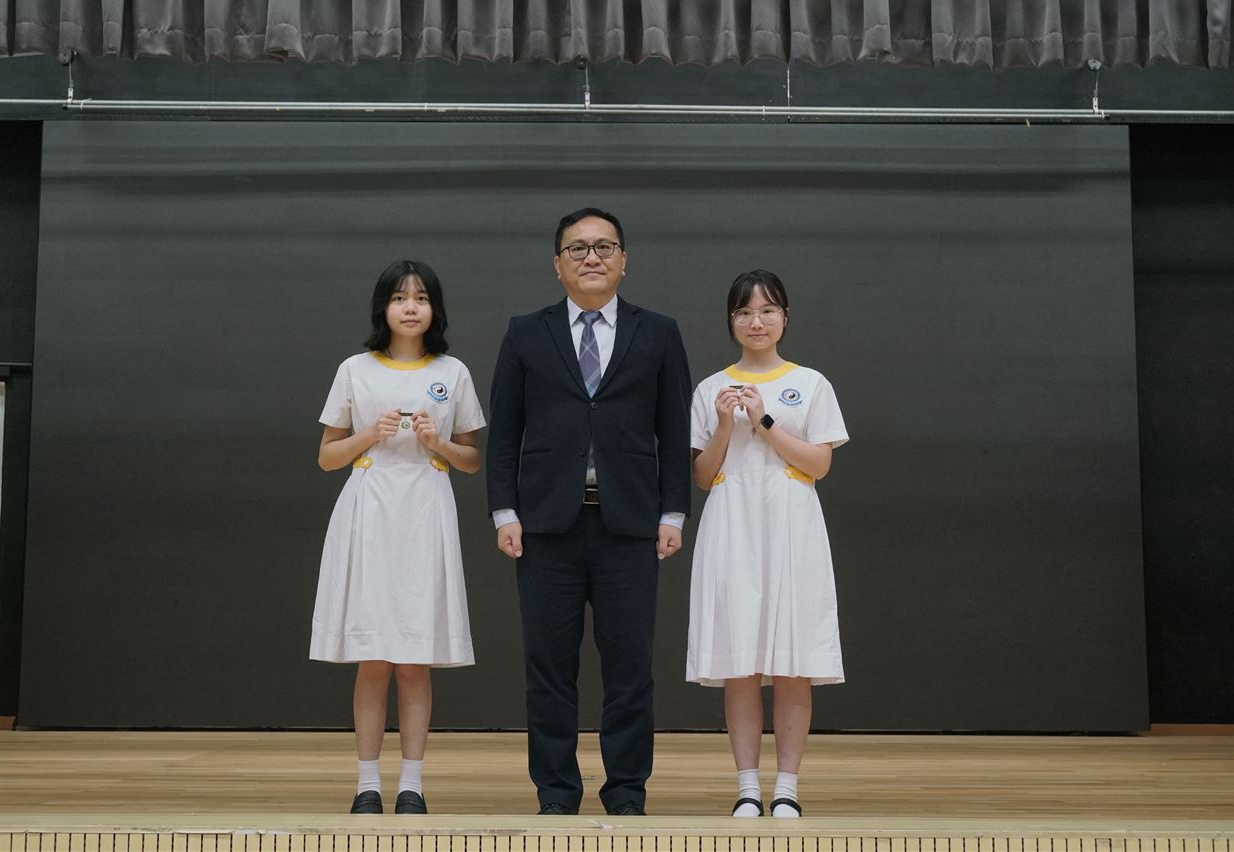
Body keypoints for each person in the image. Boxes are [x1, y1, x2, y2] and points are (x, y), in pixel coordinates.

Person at [486, 208, 692, 816]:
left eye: (604, 246)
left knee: (630, 668)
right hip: (545, 526)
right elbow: (505, 433)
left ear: (624, 260)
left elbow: (674, 429)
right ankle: (556, 793)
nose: (592, 257)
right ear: (558, 265)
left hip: (630, 525)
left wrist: (674, 514)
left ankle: (626, 792)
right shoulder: (526, 332)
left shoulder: (658, 332)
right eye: (577, 249)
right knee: (548, 667)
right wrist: (504, 512)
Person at [310, 259, 486, 816]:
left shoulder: (452, 372)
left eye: (421, 298)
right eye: (399, 298)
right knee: (373, 658)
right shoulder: (355, 369)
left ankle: (412, 785)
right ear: (382, 307)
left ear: (435, 308)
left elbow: (472, 461)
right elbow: (327, 457)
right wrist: (369, 433)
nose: (411, 308)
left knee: (414, 659)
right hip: (370, 510)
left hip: (424, 510)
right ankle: (367, 784)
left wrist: (438, 442)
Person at [685, 270, 849, 819]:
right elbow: (703, 475)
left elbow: (819, 464)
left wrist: (765, 419)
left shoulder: (811, 382)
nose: (756, 322)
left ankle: (788, 788)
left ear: (785, 317)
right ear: (731, 321)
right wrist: (725, 425)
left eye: (767, 311)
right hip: (732, 523)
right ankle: (748, 787)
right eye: (745, 313)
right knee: (742, 662)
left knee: (792, 662)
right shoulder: (711, 387)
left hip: (791, 524)